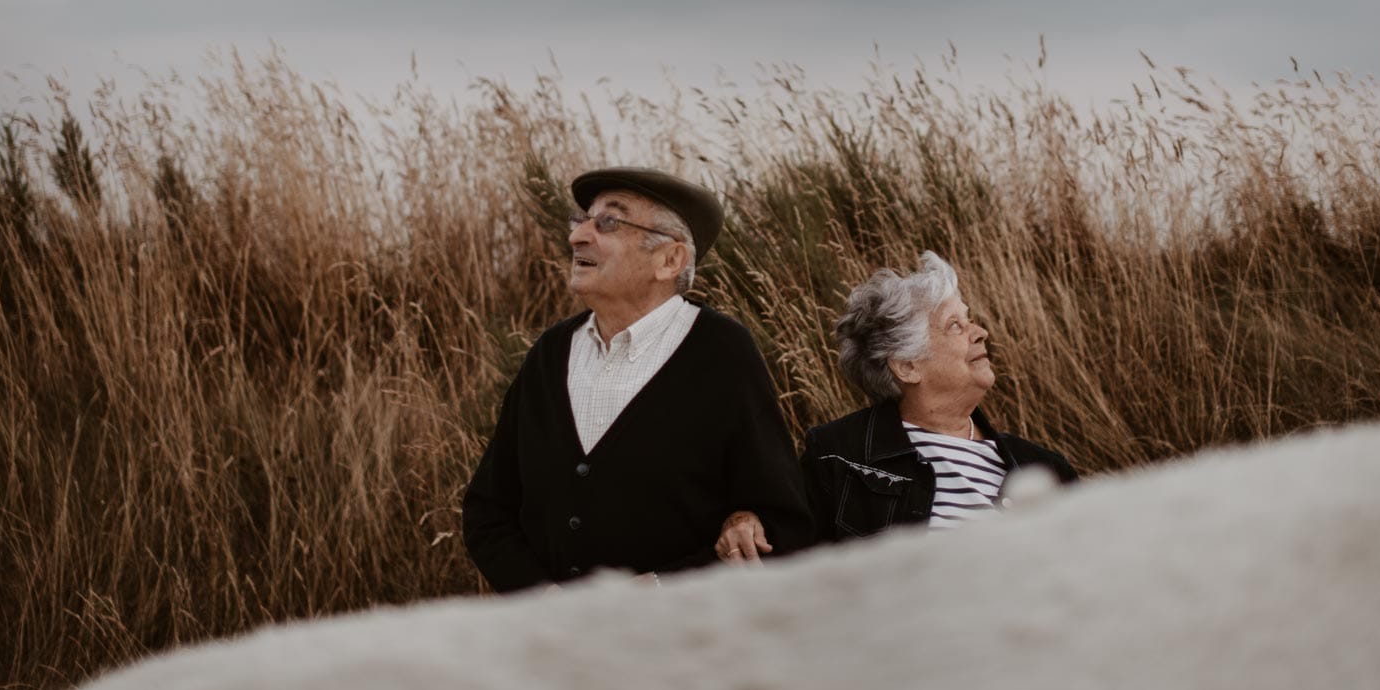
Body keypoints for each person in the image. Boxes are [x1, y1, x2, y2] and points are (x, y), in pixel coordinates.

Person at [461, 167, 812, 591]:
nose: (577, 237)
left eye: (608, 221)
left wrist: (663, 588)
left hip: (677, 646)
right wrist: (543, 598)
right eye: (581, 220)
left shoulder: (721, 352)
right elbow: (489, 510)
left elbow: (778, 525)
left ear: (669, 260)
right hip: (551, 645)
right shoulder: (551, 352)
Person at [799, 251, 1077, 544]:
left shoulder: (1044, 468)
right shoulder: (837, 456)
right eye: (955, 325)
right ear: (907, 366)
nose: (981, 332)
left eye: (969, 320)